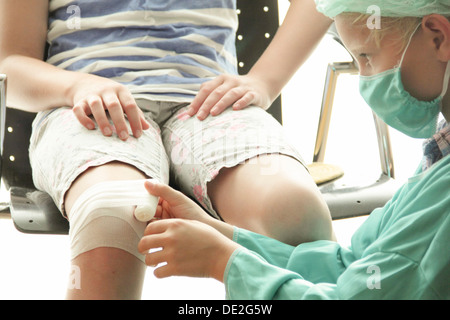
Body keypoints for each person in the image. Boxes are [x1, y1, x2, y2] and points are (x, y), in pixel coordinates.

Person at [0, 1, 334, 299]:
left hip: (210, 103)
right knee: (113, 211)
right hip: (91, 107)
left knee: (296, 213)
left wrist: (264, 80)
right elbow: (9, 61)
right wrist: (76, 86)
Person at [138, 0, 450, 299]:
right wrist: (223, 236)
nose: (364, 79)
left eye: (367, 56)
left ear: (438, 37)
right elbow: (352, 264)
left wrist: (224, 262)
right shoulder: (436, 165)